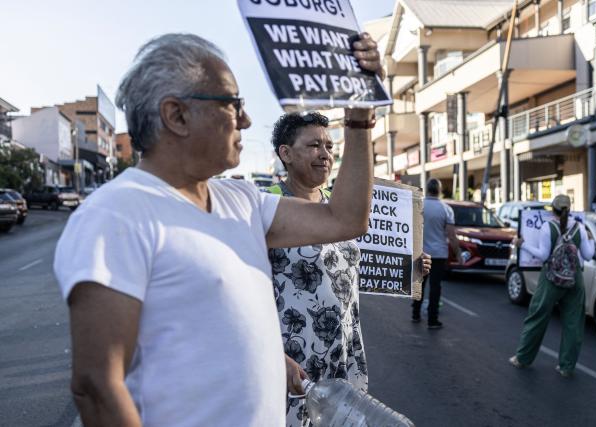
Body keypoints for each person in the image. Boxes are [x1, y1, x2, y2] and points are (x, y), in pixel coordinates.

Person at [53, 33, 382, 427]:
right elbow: (97, 386)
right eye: (231, 104)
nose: (245, 119)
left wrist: (361, 114)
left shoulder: (241, 200)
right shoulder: (116, 214)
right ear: (176, 116)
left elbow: (344, 219)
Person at [266, 111, 432, 426]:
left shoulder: (339, 208)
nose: (325, 154)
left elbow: (352, 270)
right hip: (291, 357)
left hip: (340, 353)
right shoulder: (267, 206)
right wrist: (273, 354)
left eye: (329, 146)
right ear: (285, 153)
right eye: (314, 145)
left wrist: (410, 268)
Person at [509, 194, 595, 377]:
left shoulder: (548, 227)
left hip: (551, 279)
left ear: (552, 209)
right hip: (575, 279)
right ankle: (566, 367)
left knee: (537, 317)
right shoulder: (580, 227)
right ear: (570, 209)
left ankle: (522, 358)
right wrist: (591, 239)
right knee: (573, 324)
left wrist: (522, 245)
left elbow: (542, 255)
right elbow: (587, 256)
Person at [412, 178, 461, 328]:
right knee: (435, 287)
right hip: (439, 254)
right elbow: (451, 235)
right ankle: (432, 319)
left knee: (419, 283)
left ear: (426, 189)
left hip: (420, 252)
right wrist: (458, 253)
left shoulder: (419, 205)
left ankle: (415, 313)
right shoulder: (446, 209)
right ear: (440, 190)